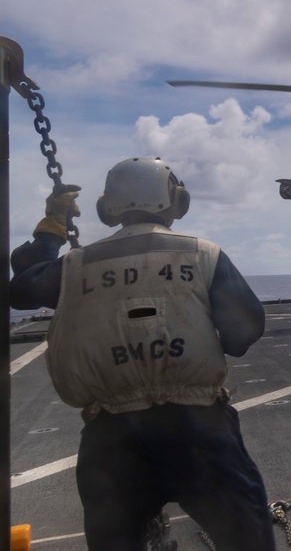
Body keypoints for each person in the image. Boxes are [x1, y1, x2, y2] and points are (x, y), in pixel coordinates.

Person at [9, 157, 276, 551]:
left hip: (113, 438)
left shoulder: (76, 264)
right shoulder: (203, 254)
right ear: (175, 200)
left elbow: (23, 290)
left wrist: (52, 230)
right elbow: (243, 333)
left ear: (106, 208)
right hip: (199, 431)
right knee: (248, 541)